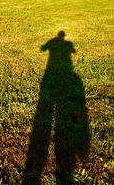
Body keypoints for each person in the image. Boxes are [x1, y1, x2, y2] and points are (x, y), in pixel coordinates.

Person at [24, 31, 90, 185]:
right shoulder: (67, 44)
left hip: (50, 75)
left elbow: (42, 48)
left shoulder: (54, 42)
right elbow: (72, 51)